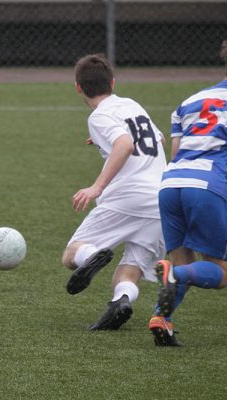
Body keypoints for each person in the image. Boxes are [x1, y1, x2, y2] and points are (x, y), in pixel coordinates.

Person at [149, 34, 227, 346]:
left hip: (171, 183)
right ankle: (174, 278)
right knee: (222, 272)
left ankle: (161, 320)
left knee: (181, 261)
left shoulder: (188, 101)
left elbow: (178, 154)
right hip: (204, 186)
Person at [62, 54, 167, 330]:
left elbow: (124, 144)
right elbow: (158, 139)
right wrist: (101, 139)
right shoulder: (131, 104)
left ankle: (92, 256)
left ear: (78, 87)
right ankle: (120, 301)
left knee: (72, 254)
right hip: (160, 199)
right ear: (113, 82)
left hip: (128, 196)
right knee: (130, 269)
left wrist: (96, 186)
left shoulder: (99, 115)